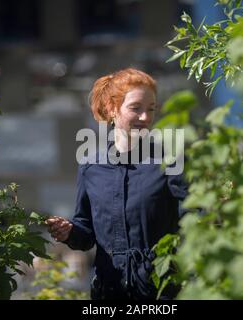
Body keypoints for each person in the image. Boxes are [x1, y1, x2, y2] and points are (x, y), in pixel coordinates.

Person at [46, 68, 188, 300]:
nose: (145, 117)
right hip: (109, 290)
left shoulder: (171, 161)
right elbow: (86, 233)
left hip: (162, 290)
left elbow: (194, 222)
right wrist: (69, 231)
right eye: (136, 108)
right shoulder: (91, 167)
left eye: (150, 109)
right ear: (112, 109)